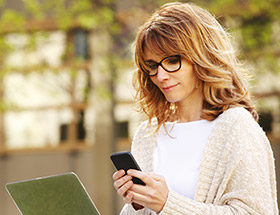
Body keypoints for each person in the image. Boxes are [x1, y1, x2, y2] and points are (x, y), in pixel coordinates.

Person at [112, 2, 278, 214]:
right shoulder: (147, 134)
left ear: (201, 58)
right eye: (152, 66)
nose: (161, 76)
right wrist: (137, 204)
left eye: (172, 61)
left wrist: (167, 204)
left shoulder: (237, 127)